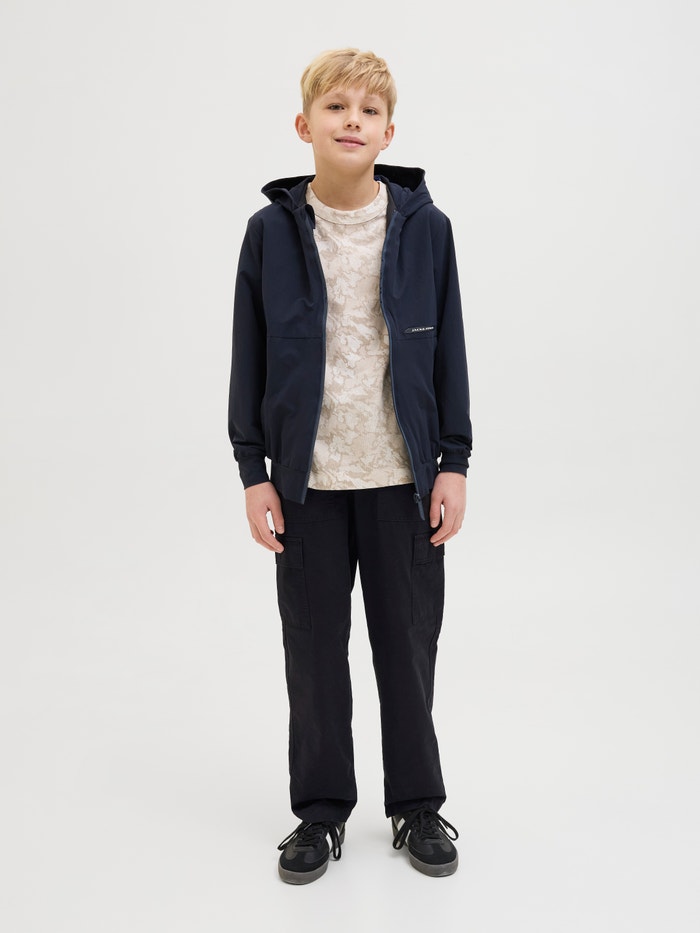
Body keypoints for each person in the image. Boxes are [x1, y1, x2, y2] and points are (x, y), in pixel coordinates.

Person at [228, 48, 472, 884]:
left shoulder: (427, 229)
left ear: (389, 133)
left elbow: (450, 351)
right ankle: (321, 811)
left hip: (404, 480)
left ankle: (417, 806)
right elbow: (249, 354)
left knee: (407, 650)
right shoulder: (269, 233)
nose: (352, 121)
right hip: (308, 485)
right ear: (305, 126)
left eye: (369, 110)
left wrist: (454, 461)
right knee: (314, 655)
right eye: (336, 107)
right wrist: (253, 470)